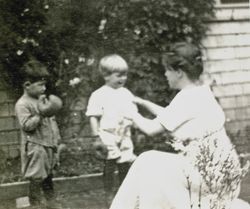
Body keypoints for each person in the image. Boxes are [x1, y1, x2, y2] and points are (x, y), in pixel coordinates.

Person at [109, 42, 250, 209]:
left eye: (168, 70)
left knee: (147, 160)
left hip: (210, 174)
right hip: (225, 171)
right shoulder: (201, 91)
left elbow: (151, 129)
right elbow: (172, 115)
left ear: (179, 72)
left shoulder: (186, 97)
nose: (165, 74)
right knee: (152, 166)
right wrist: (142, 102)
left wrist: (130, 112)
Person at [85, 54, 137, 205]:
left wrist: (134, 129)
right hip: (108, 134)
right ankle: (109, 194)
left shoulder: (126, 93)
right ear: (106, 76)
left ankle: (124, 192)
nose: (123, 78)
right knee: (110, 163)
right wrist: (96, 137)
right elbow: (93, 116)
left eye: (125, 75)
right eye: (118, 75)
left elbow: (133, 115)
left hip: (124, 134)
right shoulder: (99, 94)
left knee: (125, 163)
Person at [15, 59, 62, 209]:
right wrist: (41, 114)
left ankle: (51, 203)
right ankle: (35, 204)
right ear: (27, 85)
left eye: (44, 84)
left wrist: (57, 137)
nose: (44, 88)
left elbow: (52, 121)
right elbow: (26, 126)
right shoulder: (22, 103)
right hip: (36, 147)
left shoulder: (42, 100)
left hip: (48, 145)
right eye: (40, 85)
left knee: (48, 176)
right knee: (36, 177)